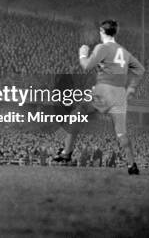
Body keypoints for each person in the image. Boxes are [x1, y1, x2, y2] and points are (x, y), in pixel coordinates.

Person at [53, 20, 144, 175]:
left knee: (76, 115)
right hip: (120, 95)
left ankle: (67, 153)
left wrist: (82, 53)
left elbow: (86, 66)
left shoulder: (102, 47)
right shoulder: (124, 51)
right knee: (121, 132)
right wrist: (131, 89)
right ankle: (132, 165)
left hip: (104, 91)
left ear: (102, 31)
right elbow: (140, 70)